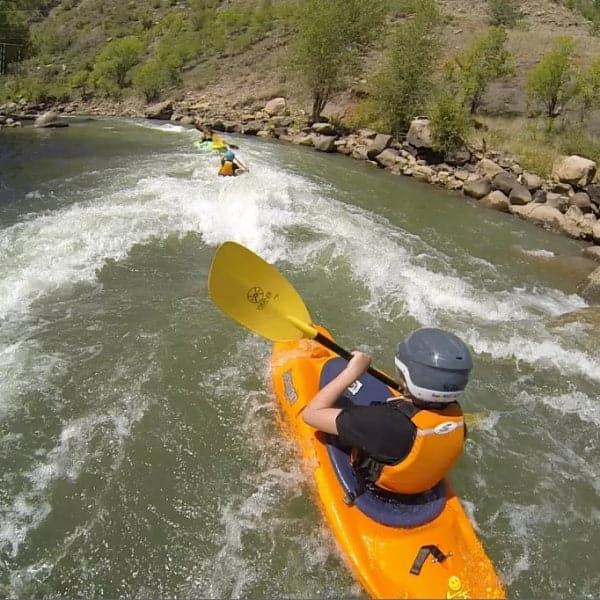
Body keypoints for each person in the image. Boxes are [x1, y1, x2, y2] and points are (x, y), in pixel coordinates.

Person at [302, 328, 472, 497]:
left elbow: (311, 414)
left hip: (382, 487)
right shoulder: (457, 419)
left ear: (405, 376)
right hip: (419, 483)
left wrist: (352, 372)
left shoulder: (381, 424)